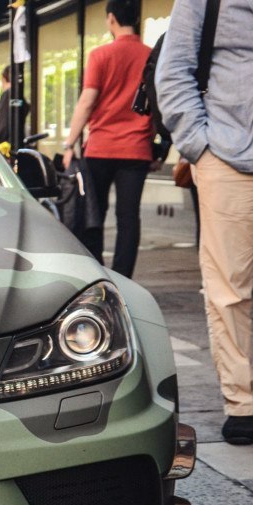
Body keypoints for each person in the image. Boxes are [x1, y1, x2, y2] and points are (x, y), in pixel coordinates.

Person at [157, 0, 253, 444]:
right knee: (231, 289)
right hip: (230, 160)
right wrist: (201, 146)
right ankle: (244, 400)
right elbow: (173, 68)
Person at [62, 0, 155, 279]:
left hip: (101, 148)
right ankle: (124, 278)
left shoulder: (100, 55)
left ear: (110, 19)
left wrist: (69, 143)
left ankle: (97, 276)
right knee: (128, 218)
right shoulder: (150, 55)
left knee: (94, 214)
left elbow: (87, 101)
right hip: (137, 148)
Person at [0, 65, 31, 146]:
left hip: (6, 145)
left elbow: (3, 123)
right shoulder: (18, 96)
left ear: (3, 79)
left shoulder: (8, 95)